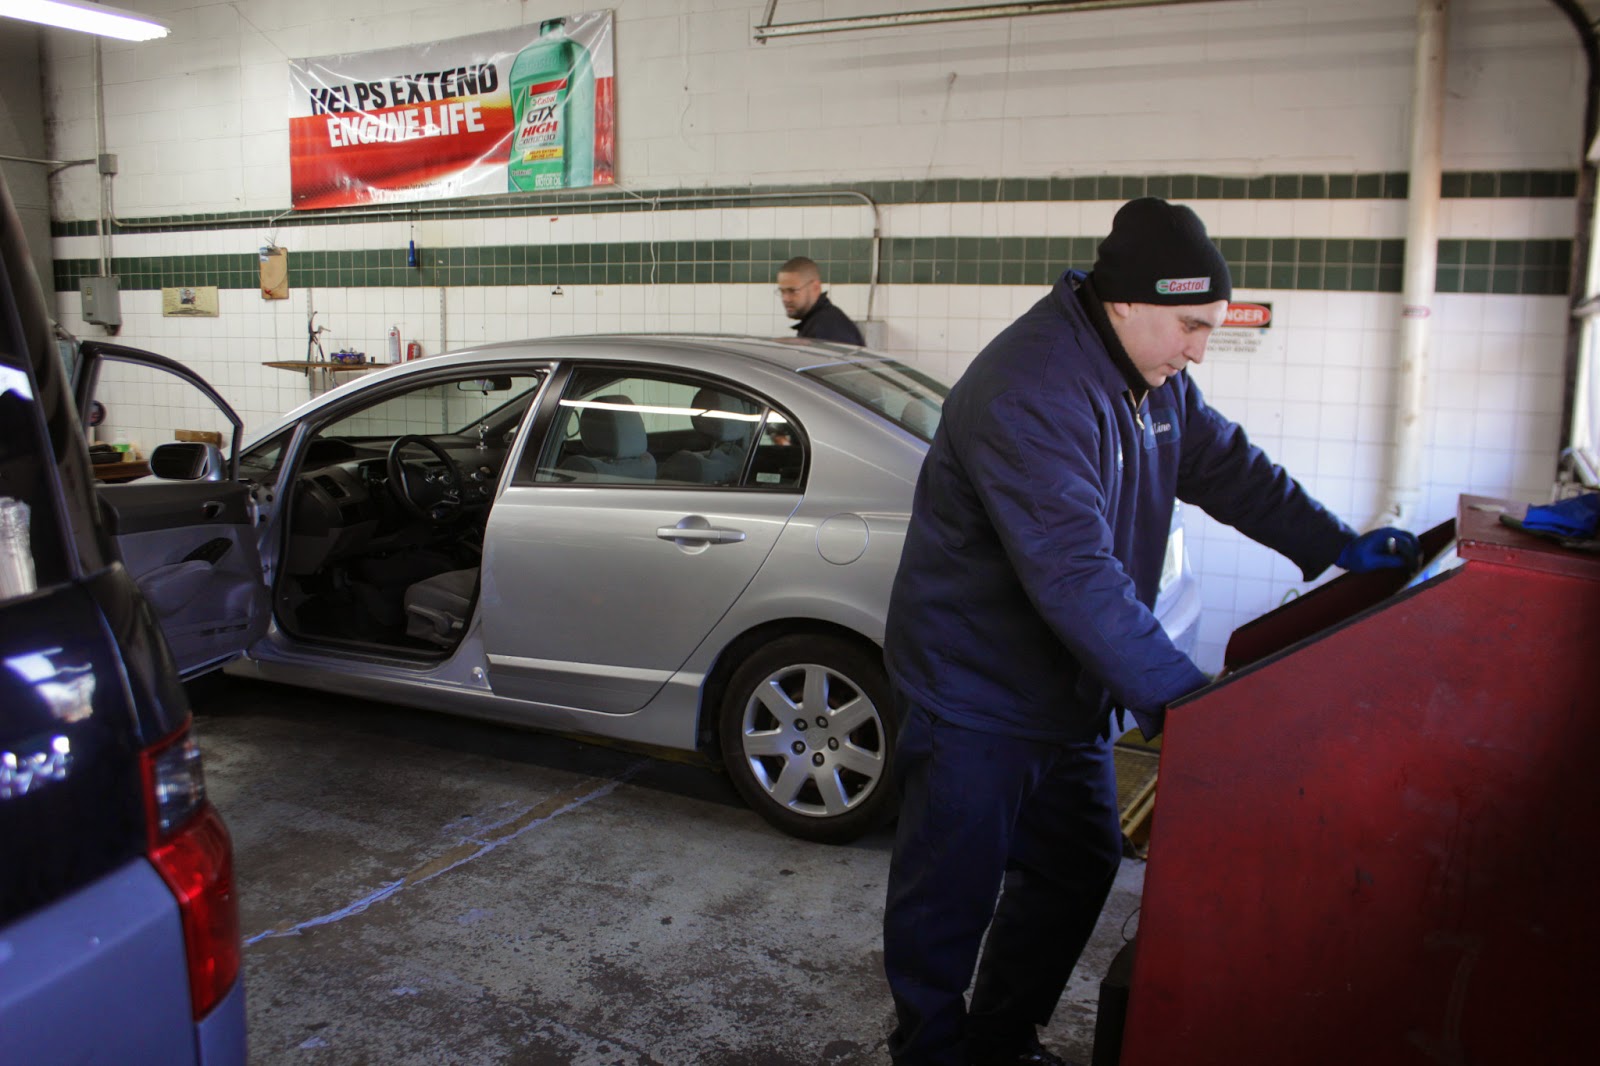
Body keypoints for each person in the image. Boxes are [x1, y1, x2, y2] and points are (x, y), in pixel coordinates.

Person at [879, 197, 1418, 1066]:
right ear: (1126, 301)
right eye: (1192, 324)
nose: (1201, 347)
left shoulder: (1152, 381)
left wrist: (1333, 544)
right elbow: (1072, 572)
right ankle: (929, 1049)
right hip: (976, 686)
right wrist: (1177, 695)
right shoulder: (1033, 390)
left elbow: (1232, 469)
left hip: (1067, 688)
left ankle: (998, 1039)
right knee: (950, 891)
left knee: (1077, 864)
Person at [777, 255, 864, 345]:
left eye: (793, 291)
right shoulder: (818, 322)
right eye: (782, 291)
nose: (785, 299)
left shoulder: (828, 328)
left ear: (815, 287)